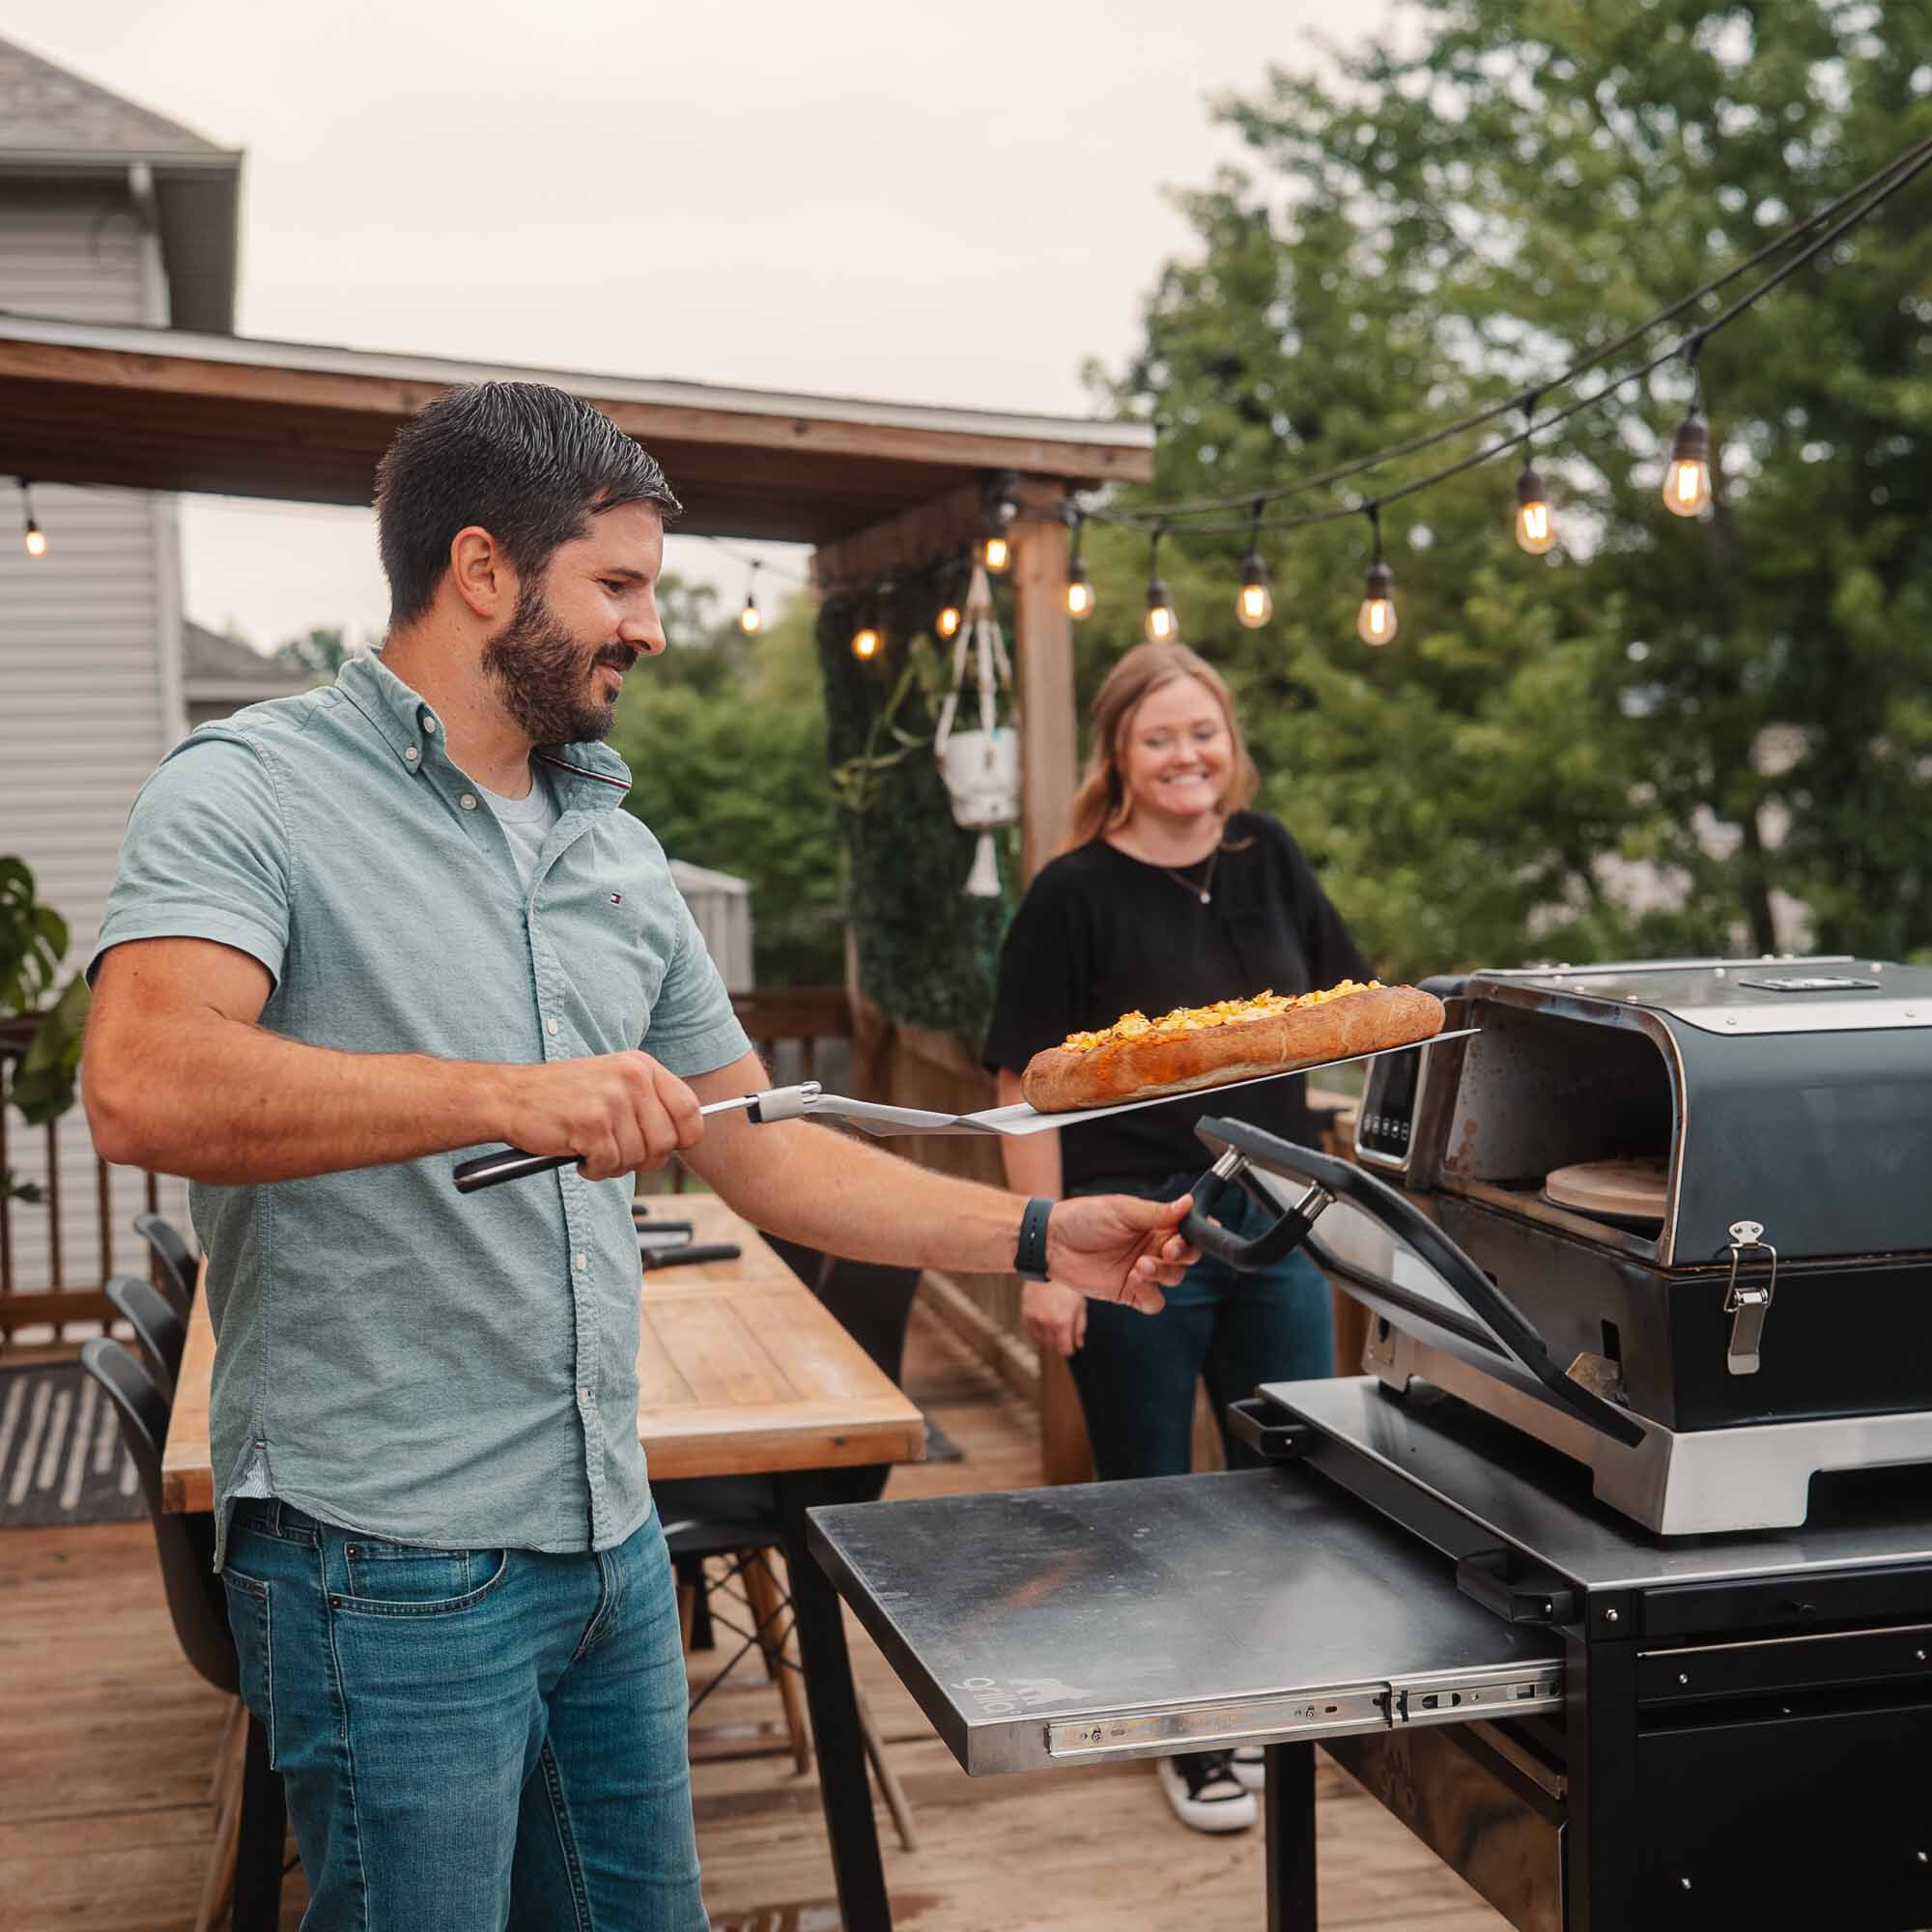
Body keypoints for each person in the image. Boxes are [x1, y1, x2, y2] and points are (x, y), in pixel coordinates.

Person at [81, 382, 1198, 1932]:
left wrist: (1031, 1239)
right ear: (485, 571)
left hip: (610, 1535)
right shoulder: (248, 789)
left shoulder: (611, 843)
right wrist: (504, 1095)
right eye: (617, 585)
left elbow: (764, 1151)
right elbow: (141, 1084)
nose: (650, 629)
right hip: (382, 1559)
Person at [982, 640, 1372, 1835]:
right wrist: (1040, 1252)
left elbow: (1350, 1005)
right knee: (1146, 1492)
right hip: (1129, 1227)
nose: (1185, 754)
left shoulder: (1270, 857)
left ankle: (1271, 1697)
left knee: (1293, 1473)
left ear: (1228, 741)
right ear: (1119, 755)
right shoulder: (1070, 890)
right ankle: (1184, 1728)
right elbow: (1018, 1078)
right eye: (1158, 736)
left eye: (1201, 730)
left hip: (1275, 1211)